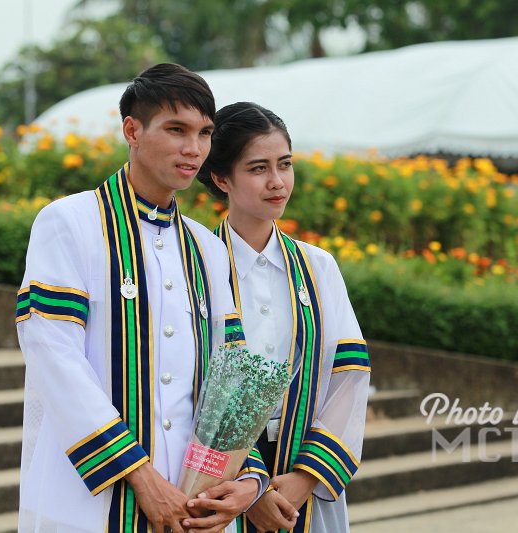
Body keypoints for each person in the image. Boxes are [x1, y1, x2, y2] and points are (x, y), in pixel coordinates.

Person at [16, 65, 268, 533]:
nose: (194, 149)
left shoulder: (208, 248)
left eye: (204, 133)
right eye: (177, 130)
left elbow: (231, 379)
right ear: (132, 130)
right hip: (91, 499)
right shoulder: (70, 222)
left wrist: (248, 477)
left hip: (197, 502)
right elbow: (54, 357)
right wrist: (140, 475)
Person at [197, 102, 371, 533]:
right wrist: (250, 485)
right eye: (258, 168)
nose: (277, 182)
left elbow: (347, 372)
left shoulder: (317, 267)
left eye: (285, 164)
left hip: (302, 475)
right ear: (221, 178)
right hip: (221, 479)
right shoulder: (196, 264)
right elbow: (192, 378)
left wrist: (304, 479)